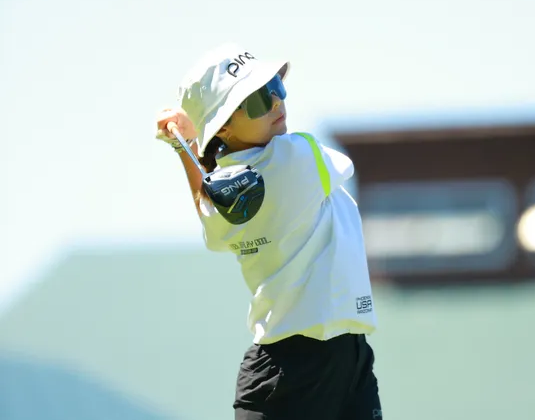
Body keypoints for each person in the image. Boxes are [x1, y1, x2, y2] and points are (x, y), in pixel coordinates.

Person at [154, 42, 382, 420]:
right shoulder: (300, 156)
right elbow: (340, 166)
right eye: (258, 99)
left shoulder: (221, 195)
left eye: (275, 87)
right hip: (292, 371)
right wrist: (191, 144)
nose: (277, 102)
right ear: (223, 126)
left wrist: (186, 147)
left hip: (336, 361)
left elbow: (207, 209)